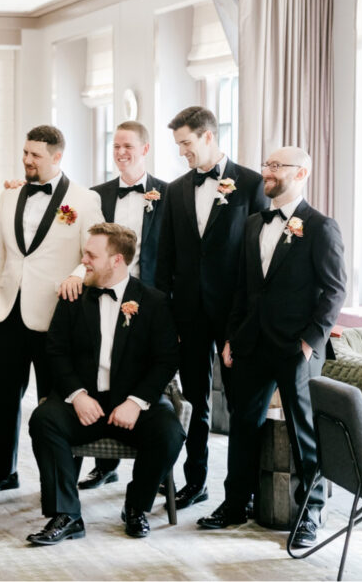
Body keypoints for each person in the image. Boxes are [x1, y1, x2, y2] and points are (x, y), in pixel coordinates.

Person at [198, 147, 346, 549]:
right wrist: (230, 337)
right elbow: (243, 289)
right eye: (267, 164)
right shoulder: (252, 224)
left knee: (303, 432)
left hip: (294, 348)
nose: (268, 171)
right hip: (250, 343)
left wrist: (308, 342)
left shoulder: (321, 227)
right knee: (243, 426)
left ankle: (309, 513)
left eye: (277, 166)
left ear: (302, 173)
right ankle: (235, 504)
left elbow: (335, 291)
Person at [26, 223, 183, 544]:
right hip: (85, 401)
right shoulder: (73, 295)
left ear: (117, 261)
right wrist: (76, 395)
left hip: (131, 403)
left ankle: (137, 505)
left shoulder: (152, 302)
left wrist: (136, 402)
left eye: (91, 255)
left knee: (170, 432)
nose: (83, 260)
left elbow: (166, 360)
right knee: (43, 421)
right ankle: (66, 514)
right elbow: (55, 351)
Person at [0, 125, 105, 495]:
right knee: (4, 397)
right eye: (25, 152)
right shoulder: (10, 196)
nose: (27, 160)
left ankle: (57, 482)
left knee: (58, 404)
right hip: (7, 313)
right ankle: (3, 471)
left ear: (56, 157)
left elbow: (91, 257)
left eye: (35, 154)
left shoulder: (83, 200)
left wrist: (77, 277)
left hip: (56, 316)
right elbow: (0, 251)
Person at [155, 106, 268, 511]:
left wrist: (246, 322)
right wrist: (167, 314)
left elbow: (259, 260)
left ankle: (244, 491)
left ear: (207, 136)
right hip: (189, 313)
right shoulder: (175, 189)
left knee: (241, 405)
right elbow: (164, 257)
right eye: (178, 144)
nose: (182, 151)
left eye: (186, 143)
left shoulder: (252, 184)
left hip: (236, 316)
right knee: (196, 403)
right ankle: (195, 482)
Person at [76, 120, 169, 491]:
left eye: (128, 146)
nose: (121, 152)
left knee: (151, 378)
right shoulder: (96, 195)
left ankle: (156, 469)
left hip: (152, 298)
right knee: (105, 368)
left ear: (145, 149)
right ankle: (104, 465)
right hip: (107, 292)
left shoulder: (167, 193)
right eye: (115, 146)